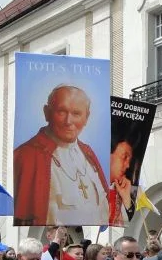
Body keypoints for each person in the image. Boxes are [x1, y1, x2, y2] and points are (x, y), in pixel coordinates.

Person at [13, 85, 109, 226]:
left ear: (87, 117)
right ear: (47, 113)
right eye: (62, 112)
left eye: (76, 114)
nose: (68, 121)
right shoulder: (26, 155)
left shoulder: (88, 153)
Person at [108, 140, 136, 226]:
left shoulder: (119, 190)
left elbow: (128, 224)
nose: (128, 166)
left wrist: (127, 199)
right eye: (124, 157)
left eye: (129, 161)